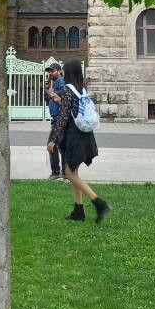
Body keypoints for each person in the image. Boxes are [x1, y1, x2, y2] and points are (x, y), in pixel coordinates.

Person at [47, 59, 111, 222]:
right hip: (86, 135)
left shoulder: (68, 90)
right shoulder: (81, 89)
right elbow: (72, 110)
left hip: (75, 137)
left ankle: (99, 203)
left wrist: (53, 139)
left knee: (68, 173)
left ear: (67, 73)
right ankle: (78, 211)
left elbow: (62, 117)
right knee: (73, 171)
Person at [44, 61, 66, 180]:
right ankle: (65, 173)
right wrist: (47, 89)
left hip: (59, 119)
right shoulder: (55, 83)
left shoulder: (61, 81)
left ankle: (56, 172)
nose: (50, 73)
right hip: (57, 119)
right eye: (49, 71)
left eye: (52, 71)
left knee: (51, 145)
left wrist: (49, 91)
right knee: (62, 147)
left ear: (59, 71)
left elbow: (60, 94)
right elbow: (48, 99)